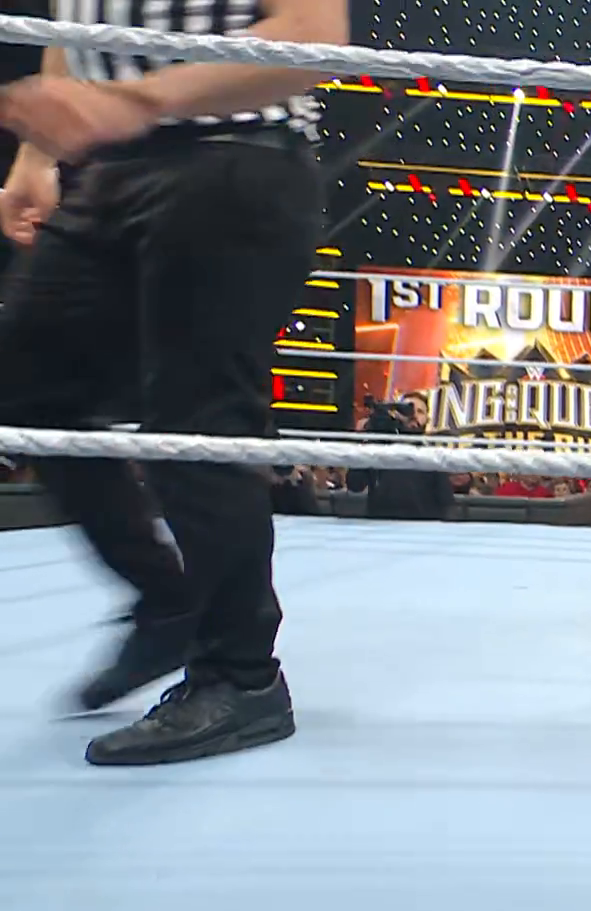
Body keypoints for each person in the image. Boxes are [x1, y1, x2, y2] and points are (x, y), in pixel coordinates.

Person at [0, 0, 346, 764]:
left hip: (236, 154)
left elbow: (312, 38)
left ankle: (240, 677)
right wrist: (37, 155)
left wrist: (133, 99)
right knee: (26, 390)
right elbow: (77, 23)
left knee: (196, 419)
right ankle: (168, 601)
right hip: (110, 171)